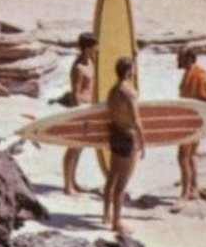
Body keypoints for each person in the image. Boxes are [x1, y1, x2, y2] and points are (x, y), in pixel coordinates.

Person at [103, 55, 145, 235]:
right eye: (133, 68)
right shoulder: (129, 92)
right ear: (129, 71)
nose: (134, 71)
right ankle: (117, 223)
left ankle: (106, 215)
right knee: (122, 183)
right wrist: (143, 141)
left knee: (111, 177)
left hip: (115, 134)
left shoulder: (112, 91)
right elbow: (136, 120)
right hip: (129, 138)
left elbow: (111, 113)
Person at [176, 49, 206, 201]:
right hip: (188, 120)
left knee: (182, 157)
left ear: (188, 58)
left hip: (192, 122)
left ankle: (185, 192)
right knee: (190, 155)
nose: (176, 59)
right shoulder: (189, 73)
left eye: (179, 57)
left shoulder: (199, 74)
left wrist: (199, 115)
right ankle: (193, 188)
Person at [61, 33, 97, 195]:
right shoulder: (78, 68)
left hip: (89, 108)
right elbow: (75, 92)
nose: (97, 49)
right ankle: (67, 186)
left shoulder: (91, 61)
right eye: (95, 46)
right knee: (73, 147)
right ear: (88, 47)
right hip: (80, 109)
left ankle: (73, 180)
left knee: (80, 148)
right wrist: (78, 114)